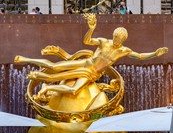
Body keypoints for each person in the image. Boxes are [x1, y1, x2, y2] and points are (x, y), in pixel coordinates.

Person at [14, 14, 168, 96]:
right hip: (85, 64)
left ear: (123, 40)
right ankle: (26, 59)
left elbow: (140, 56)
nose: (116, 41)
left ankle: (47, 88)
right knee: (54, 67)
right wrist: (92, 28)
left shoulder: (123, 51)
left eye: (119, 40)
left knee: (74, 90)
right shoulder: (103, 42)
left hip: (92, 75)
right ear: (113, 36)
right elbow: (86, 41)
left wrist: (155, 53)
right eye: (115, 38)